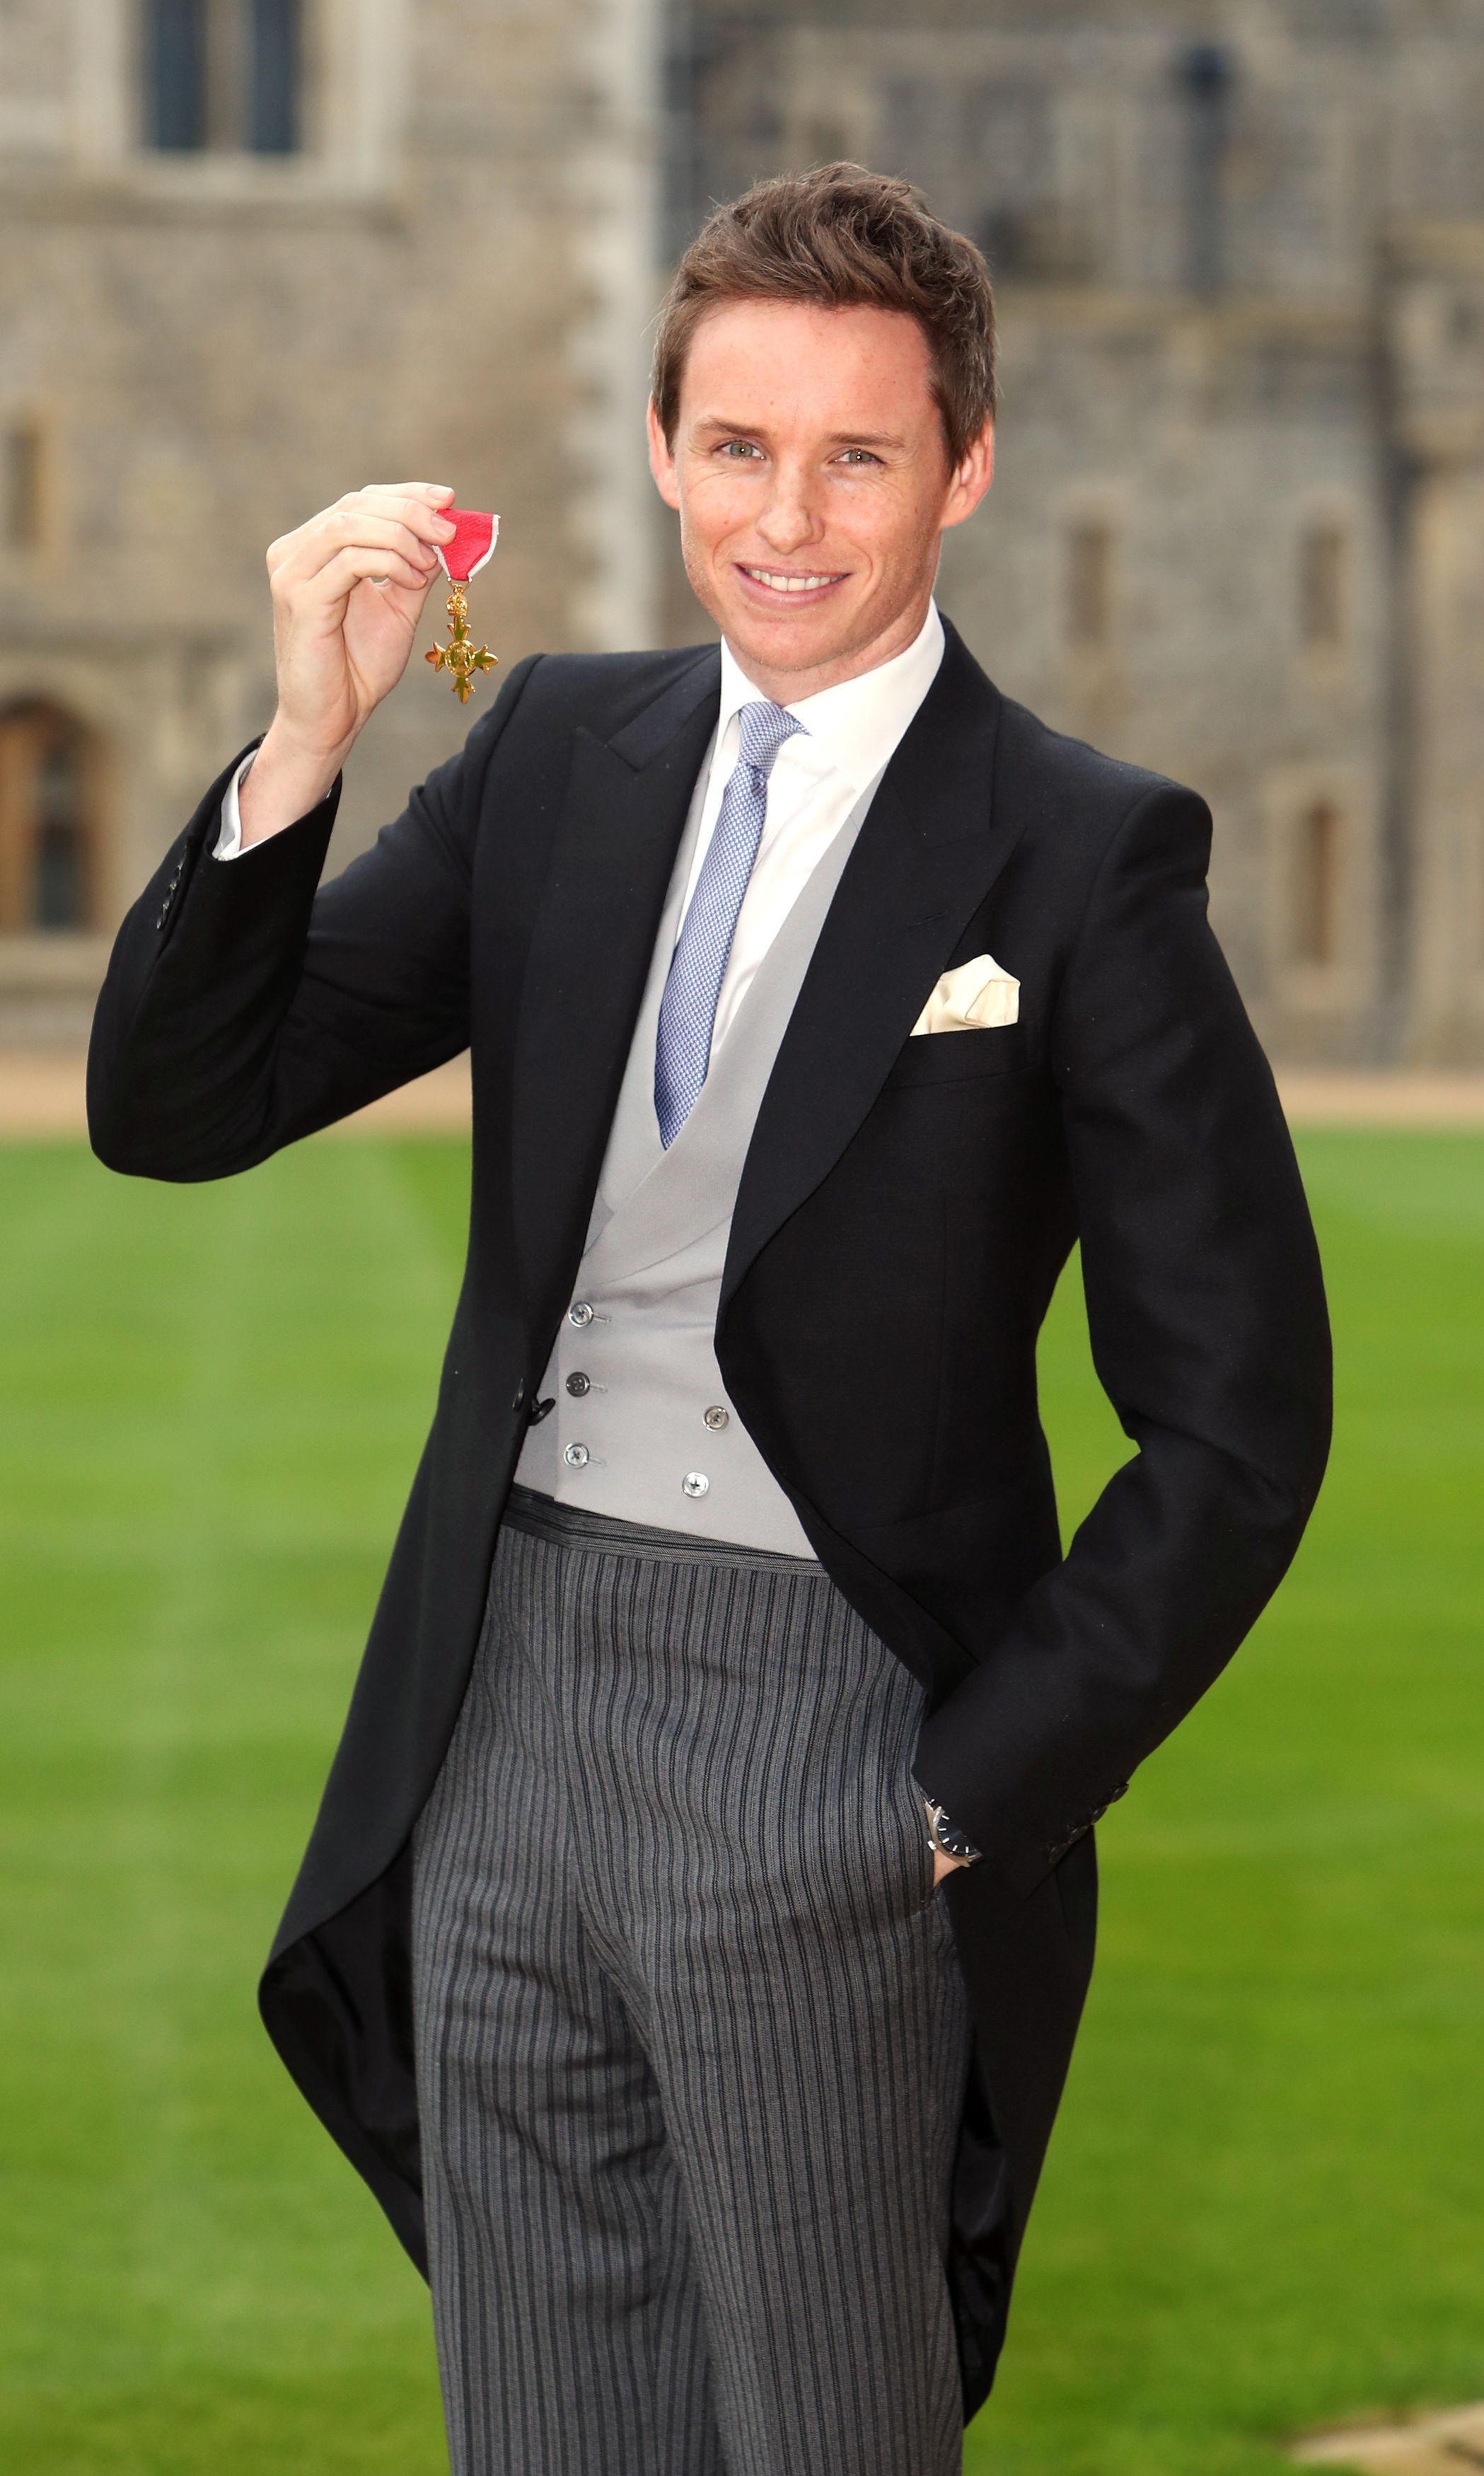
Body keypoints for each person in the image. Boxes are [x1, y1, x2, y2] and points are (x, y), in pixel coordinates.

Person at [88, 166, 1331, 2476]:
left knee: (825, 2439)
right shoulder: (556, 749)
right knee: (541, 2433)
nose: (789, 515)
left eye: (857, 454)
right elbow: (179, 1108)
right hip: (503, 1708)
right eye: (737, 448)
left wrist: (957, 1799)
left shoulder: (1079, 852)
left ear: (963, 466)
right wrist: (299, 746)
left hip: (829, 1738)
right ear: (662, 448)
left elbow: (1239, 1418)